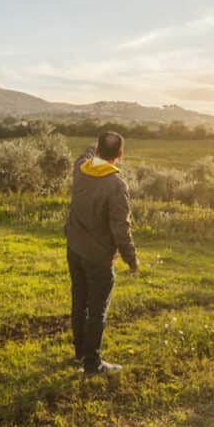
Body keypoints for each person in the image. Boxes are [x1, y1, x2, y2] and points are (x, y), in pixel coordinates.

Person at [64, 131, 139, 376]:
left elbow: (84, 154)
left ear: (97, 151)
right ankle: (92, 363)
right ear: (120, 155)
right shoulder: (116, 184)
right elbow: (121, 227)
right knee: (97, 309)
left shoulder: (80, 168)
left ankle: (79, 354)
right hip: (98, 258)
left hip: (74, 249)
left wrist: (93, 146)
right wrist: (131, 259)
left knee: (79, 301)